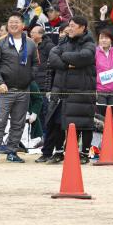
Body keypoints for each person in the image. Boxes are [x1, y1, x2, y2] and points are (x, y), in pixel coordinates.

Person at [0, 12, 38, 164]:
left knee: (18, 123)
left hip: (24, 90)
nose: (13, 24)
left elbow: (36, 63)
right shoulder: (0, 42)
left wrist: (29, 78)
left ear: (23, 25)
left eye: (16, 22)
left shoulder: (30, 43)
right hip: (5, 89)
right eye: (11, 22)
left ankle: (12, 151)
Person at [48, 16, 96, 164]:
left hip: (82, 90)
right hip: (61, 89)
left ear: (82, 27)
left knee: (84, 123)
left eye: (73, 26)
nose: (70, 28)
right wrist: (66, 64)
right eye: (69, 25)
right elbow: (52, 56)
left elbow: (84, 57)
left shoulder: (89, 43)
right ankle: (58, 152)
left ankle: (84, 153)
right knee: (58, 122)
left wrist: (64, 56)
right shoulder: (64, 41)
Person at [36, 23, 68, 163]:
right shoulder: (55, 49)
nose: (63, 34)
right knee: (50, 122)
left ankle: (62, 151)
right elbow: (50, 72)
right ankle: (47, 152)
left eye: (66, 32)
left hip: (69, 92)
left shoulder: (74, 49)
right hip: (54, 92)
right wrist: (48, 90)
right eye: (61, 32)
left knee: (61, 123)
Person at [29, 25, 55, 140]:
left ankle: (45, 135)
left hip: (44, 84)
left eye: (33, 33)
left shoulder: (49, 46)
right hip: (32, 82)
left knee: (44, 110)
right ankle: (35, 136)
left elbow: (53, 64)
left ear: (40, 35)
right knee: (34, 111)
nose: (31, 34)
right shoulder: (30, 45)